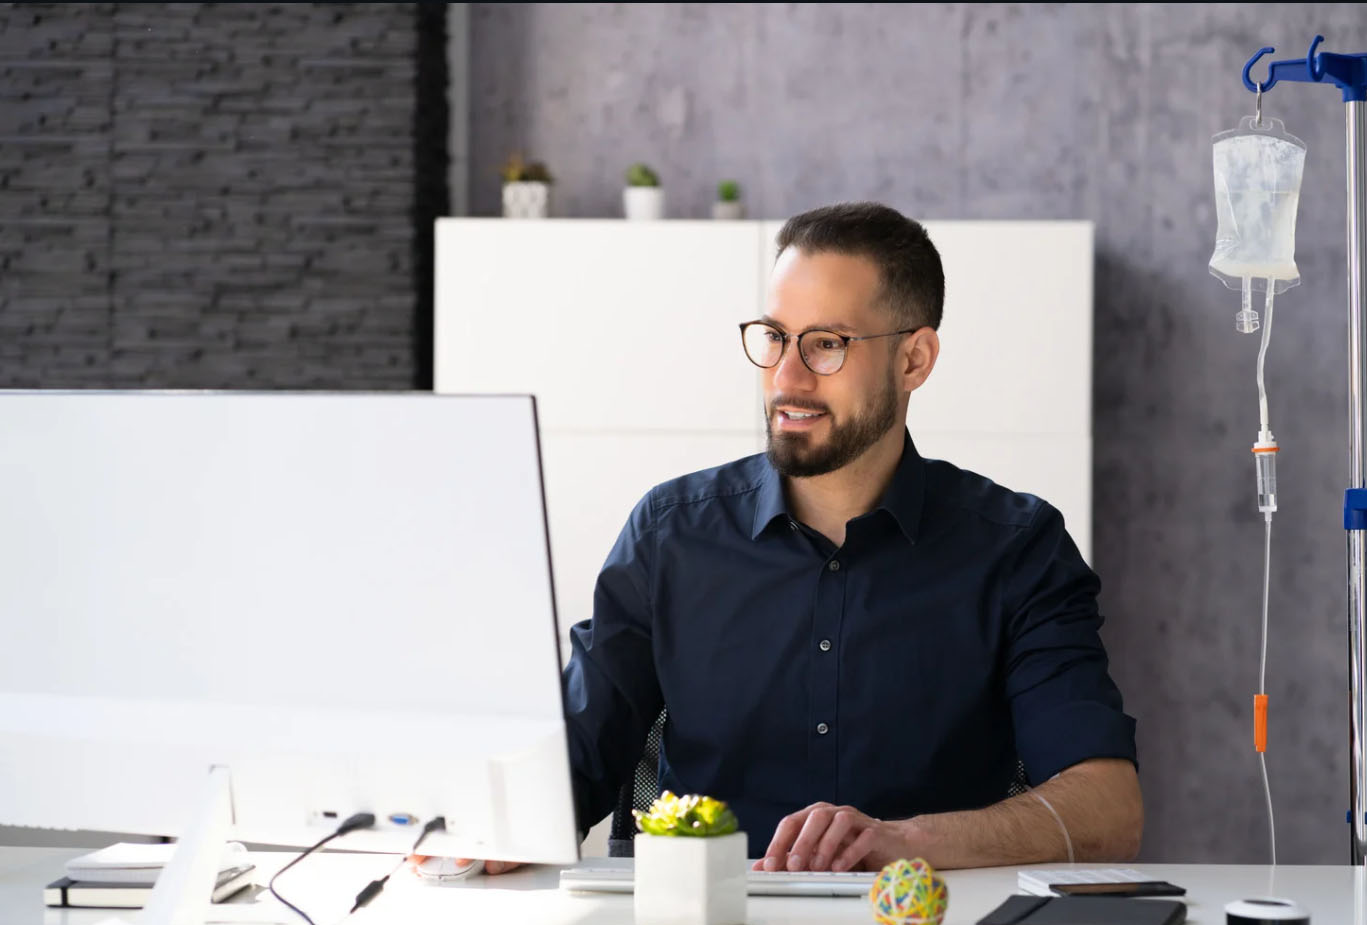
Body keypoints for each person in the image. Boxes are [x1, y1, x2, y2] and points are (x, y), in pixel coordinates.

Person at [437, 201, 1140, 876]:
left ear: (914, 360)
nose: (786, 376)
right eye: (774, 337)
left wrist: (901, 840)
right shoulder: (670, 533)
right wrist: (484, 821)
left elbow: (1108, 810)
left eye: (826, 344)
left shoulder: (1017, 548)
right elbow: (573, 764)